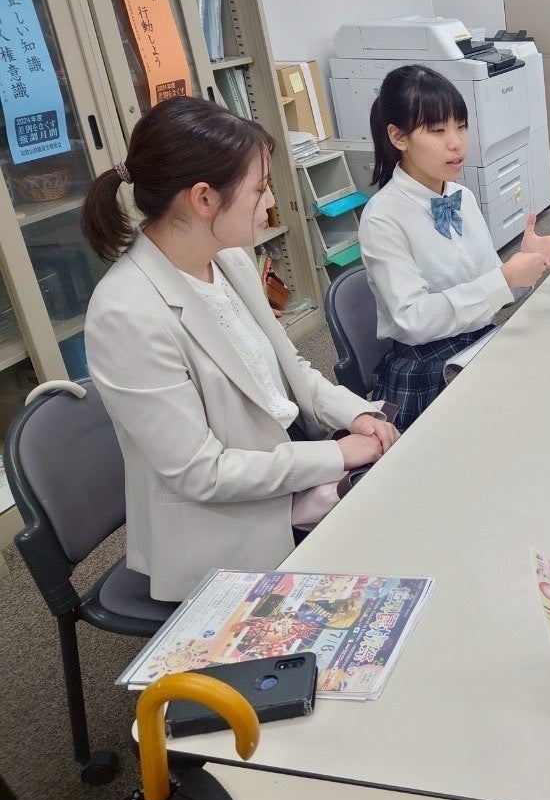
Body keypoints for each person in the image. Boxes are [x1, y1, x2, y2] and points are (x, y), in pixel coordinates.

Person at [83, 96, 399, 603]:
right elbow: (201, 473)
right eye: (259, 188)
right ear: (204, 199)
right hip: (230, 522)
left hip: (286, 461)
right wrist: (336, 454)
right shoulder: (126, 314)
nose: (270, 200)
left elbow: (288, 369)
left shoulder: (227, 258)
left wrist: (356, 414)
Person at [358, 65, 550, 430]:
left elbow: (491, 293)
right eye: (438, 131)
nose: (456, 143)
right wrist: (504, 278)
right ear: (398, 137)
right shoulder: (383, 217)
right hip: (427, 364)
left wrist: (524, 265)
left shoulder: (461, 196)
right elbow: (413, 320)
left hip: (476, 341)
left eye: (461, 126)